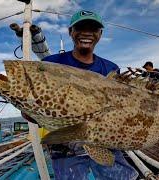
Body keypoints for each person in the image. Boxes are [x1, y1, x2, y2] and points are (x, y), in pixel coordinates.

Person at [23, 10, 138, 180]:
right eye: (80, 28)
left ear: (100, 34)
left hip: (104, 142)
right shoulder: (51, 64)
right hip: (65, 147)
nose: (86, 33)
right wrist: (31, 111)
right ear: (71, 32)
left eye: (93, 28)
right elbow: (35, 108)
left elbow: (124, 110)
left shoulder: (111, 68)